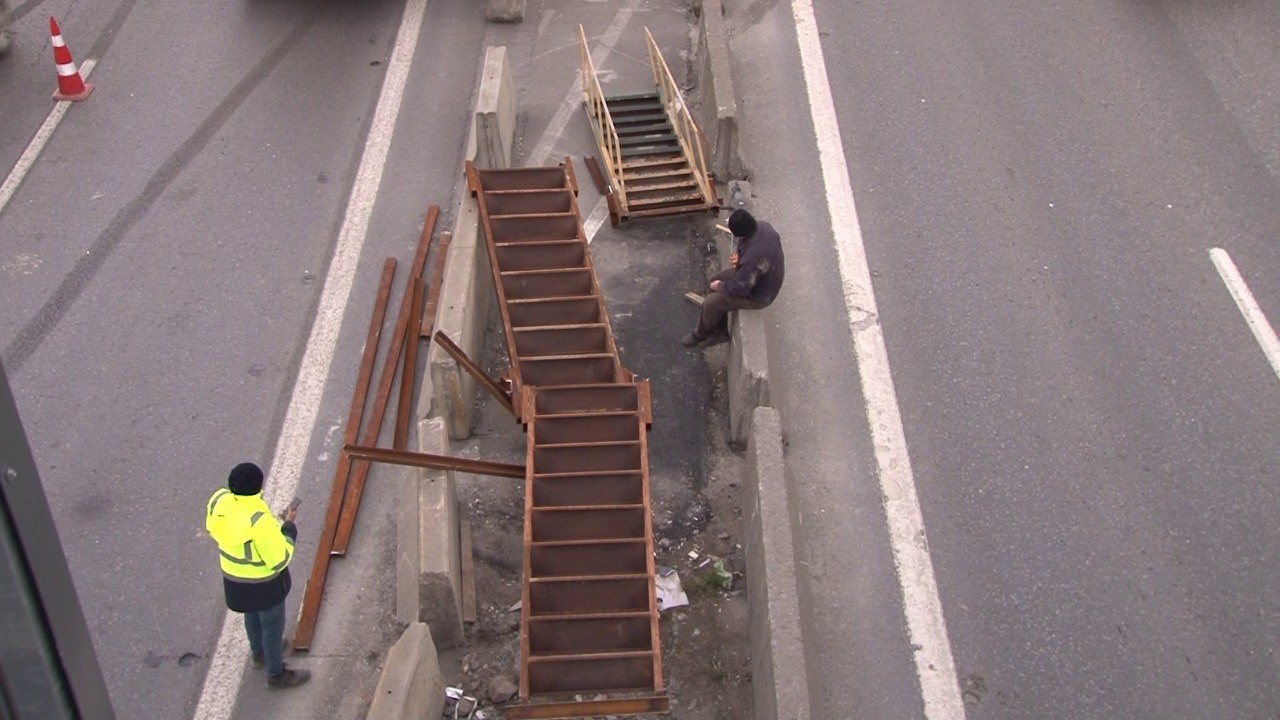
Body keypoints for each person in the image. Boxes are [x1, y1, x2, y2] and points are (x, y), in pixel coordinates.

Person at [205, 462, 311, 688]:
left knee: (250, 615)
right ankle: (275, 674)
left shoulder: (219, 501)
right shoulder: (258, 521)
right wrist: (288, 527)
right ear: (258, 488)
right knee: (272, 628)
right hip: (264, 585)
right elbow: (280, 558)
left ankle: (258, 653)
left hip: (235, 581)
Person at [683, 208, 785, 347]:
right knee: (714, 280)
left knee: (711, 302)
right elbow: (750, 258)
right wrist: (740, 256)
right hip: (761, 277)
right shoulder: (763, 226)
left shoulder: (752, 259)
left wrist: (720, 286)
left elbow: (741, 288)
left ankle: (700, 334)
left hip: (759, 294)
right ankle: (720, 330)